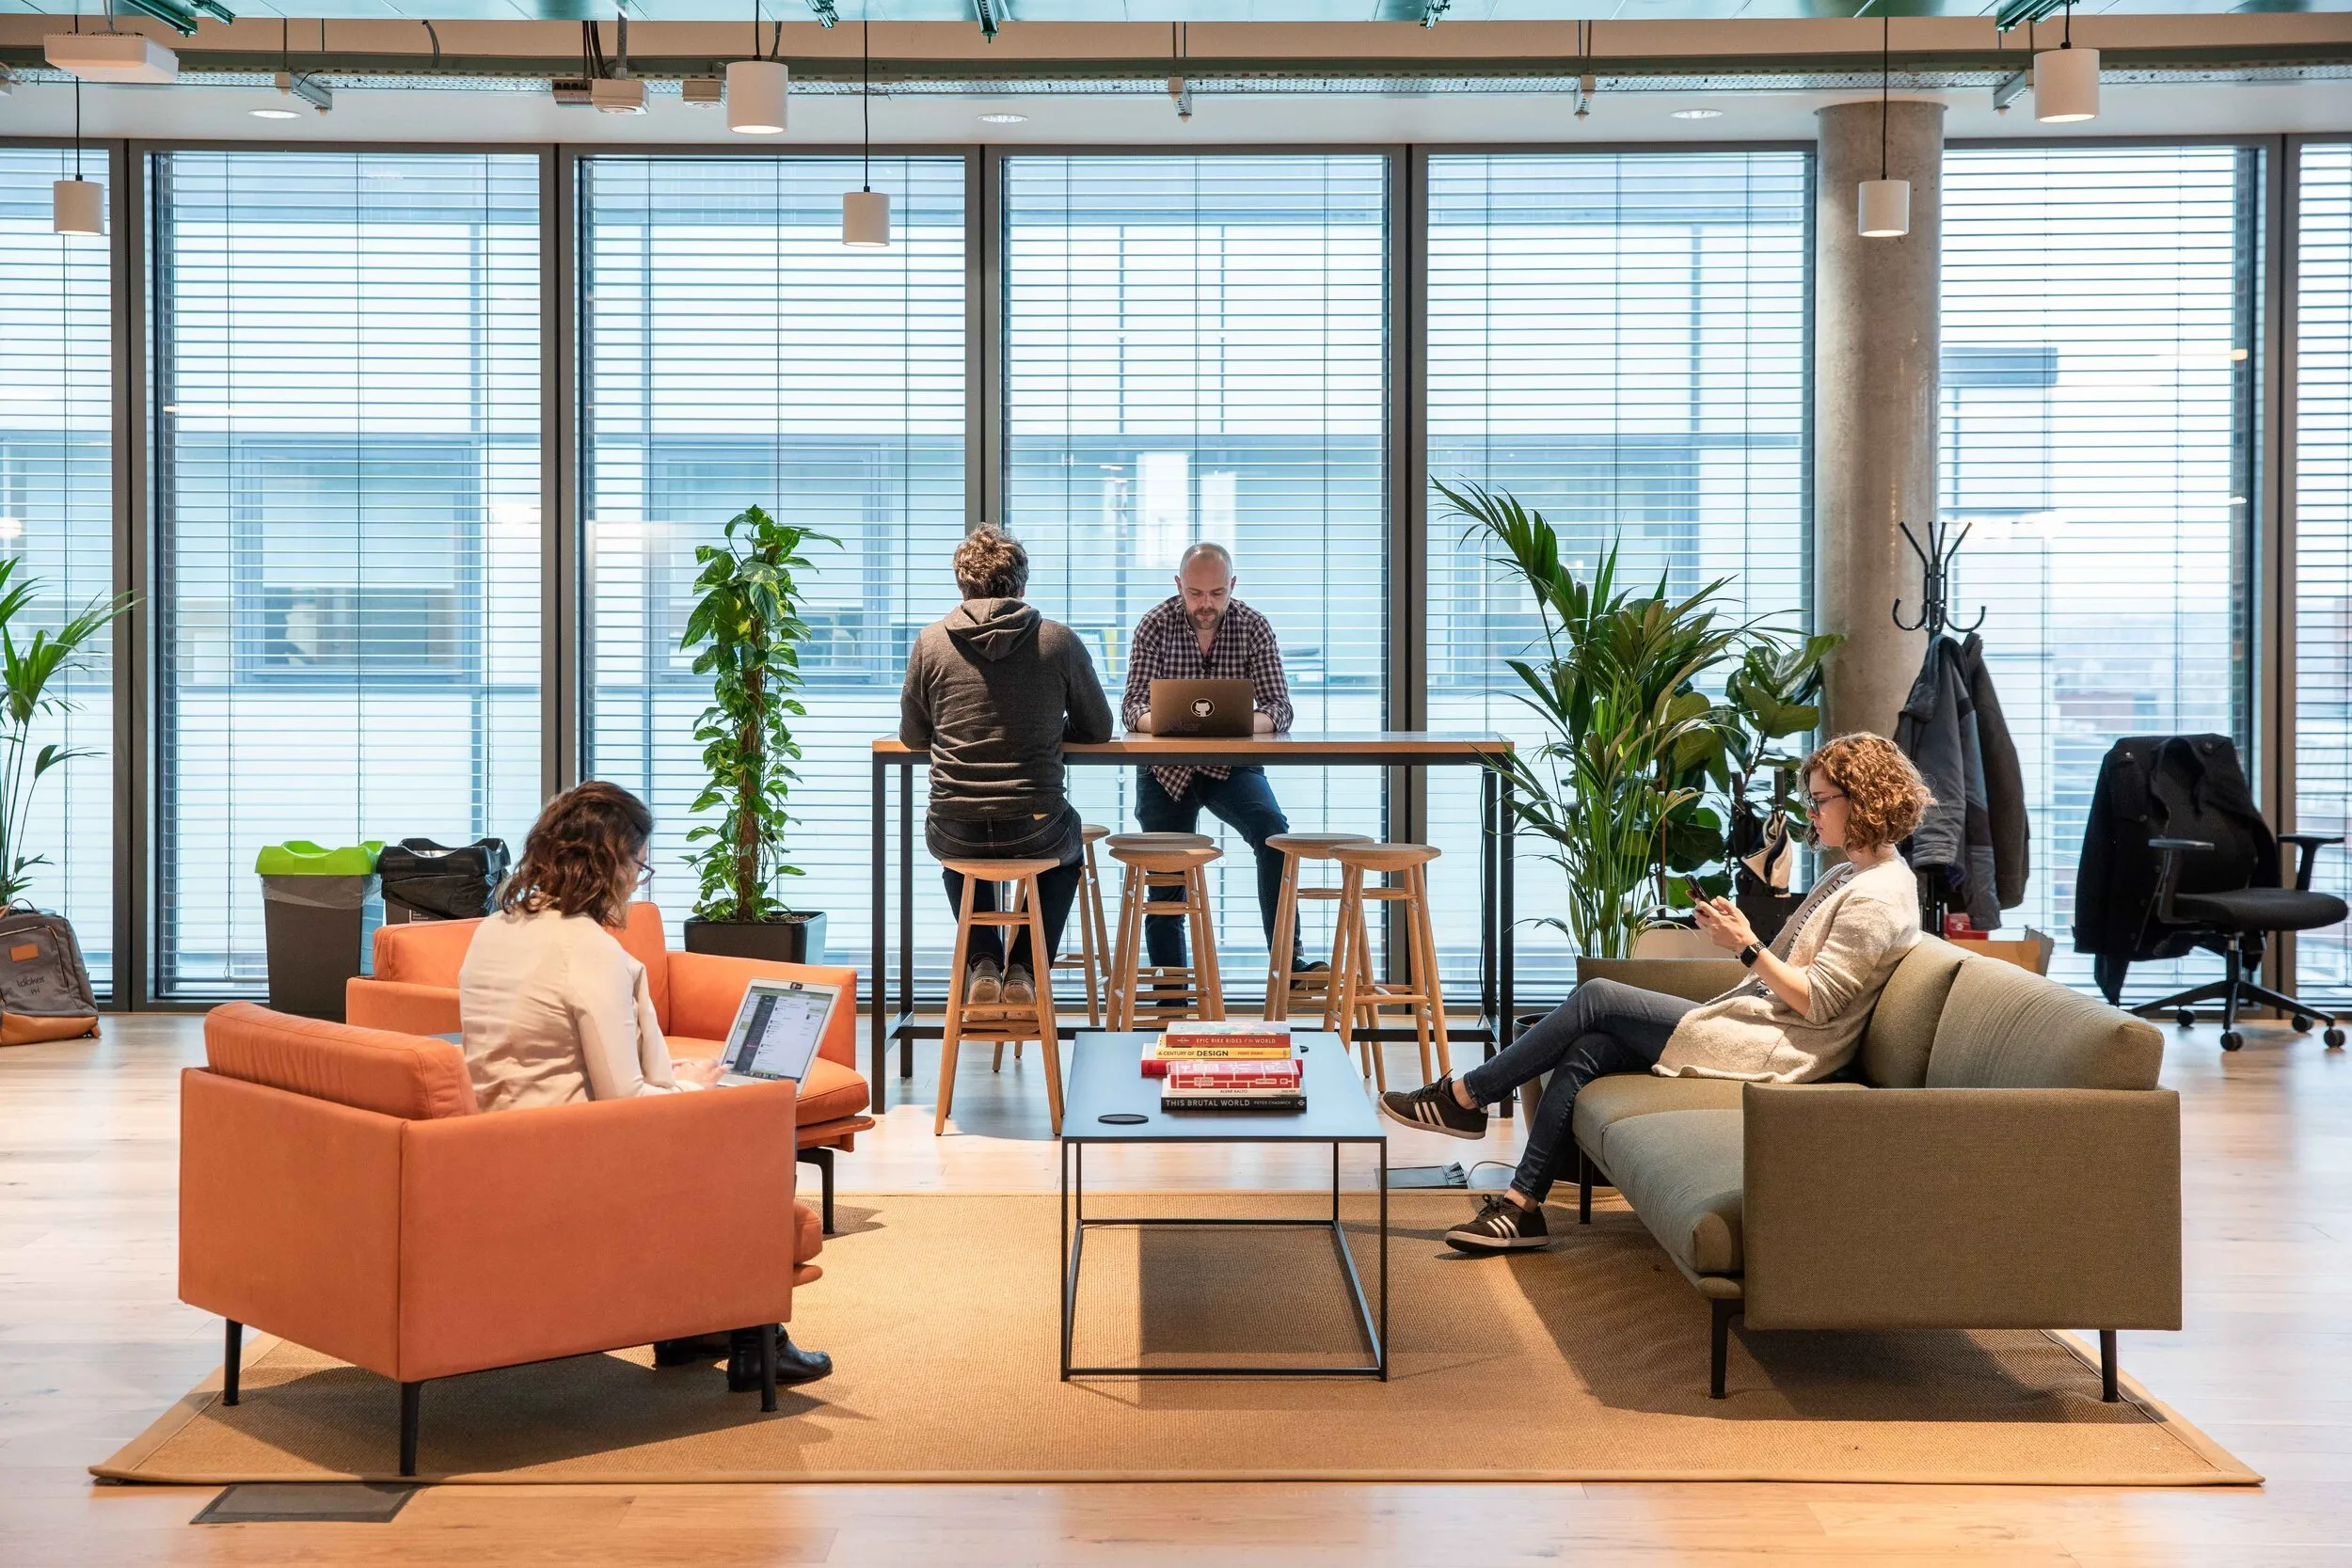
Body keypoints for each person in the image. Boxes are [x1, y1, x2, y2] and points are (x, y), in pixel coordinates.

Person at [1380, 733, 1931, 1255]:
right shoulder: (1852, 875)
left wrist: (1745, 947)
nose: (1811, 815)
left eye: (1820, 802)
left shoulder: (1879, 894)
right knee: (1589, 1047)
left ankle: (1464, 1098)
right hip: (1762, 1024)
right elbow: (1795, 970)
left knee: (1596, 995)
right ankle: (1522, 1208)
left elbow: (1820, 1002)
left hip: (1785, 1048)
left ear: (1861, 800)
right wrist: (1745, 937)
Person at [459, 780, 832, 1387]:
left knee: (715, 1103)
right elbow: (625, 1103)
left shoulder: (495, 930)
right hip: (573, 1164)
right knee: (753, 1122)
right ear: (607, 861)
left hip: (502, 1149)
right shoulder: (587, 951)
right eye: (637, 861)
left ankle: (695, 1328)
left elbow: (557, 1061)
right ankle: (756, 1340)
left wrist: (681, 1079)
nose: (639, 877)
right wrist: (703, 1095)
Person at [901, 526, 1116, 1006]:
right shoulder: (1058, 642)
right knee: (1066, 853)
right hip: (1034, 827)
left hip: (954, 827)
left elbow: (913, 735)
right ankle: (1024, 968)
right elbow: (1099, 728)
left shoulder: (931, 643)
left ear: (962, 587)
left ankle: (983, 963)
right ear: (1022, 586)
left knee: (961, 854)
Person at [1121, 540, 1312, 987]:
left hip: (1233, 766)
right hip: (1166, 770)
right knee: (1166, 875)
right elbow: (1130, 707)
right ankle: (1172, 994)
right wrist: (1167, 722)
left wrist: (1238, 723)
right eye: (1194, 594)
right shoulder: (1154, 625)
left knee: (1274, 835)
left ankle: (1290, 963)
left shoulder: (1253, 626)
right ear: (1178, 585)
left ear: (1232, 585)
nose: (1205, 605)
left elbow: (1280, 706)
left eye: (1216, 594)